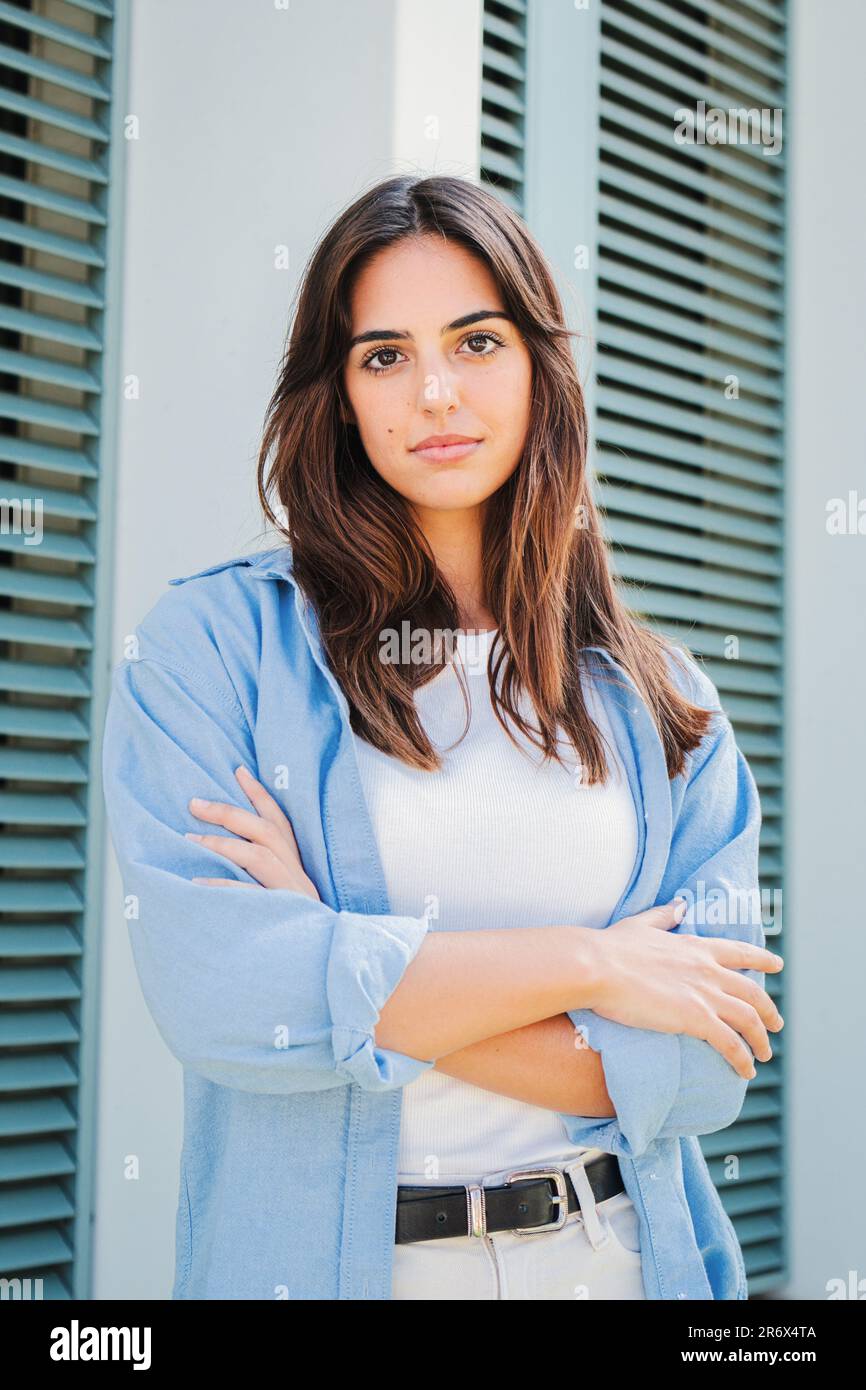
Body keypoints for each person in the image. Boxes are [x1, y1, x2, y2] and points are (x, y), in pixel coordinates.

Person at [101, 173, 784, 1301]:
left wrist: (332, 942)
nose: (431, 393)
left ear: (536, 368)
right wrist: (593, 967)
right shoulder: (212, 647)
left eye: (475, 341)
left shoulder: (665, 701)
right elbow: (222, 1000)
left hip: (617, 1263)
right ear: (337, 393)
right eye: (382, 356)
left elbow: (703, 1072)